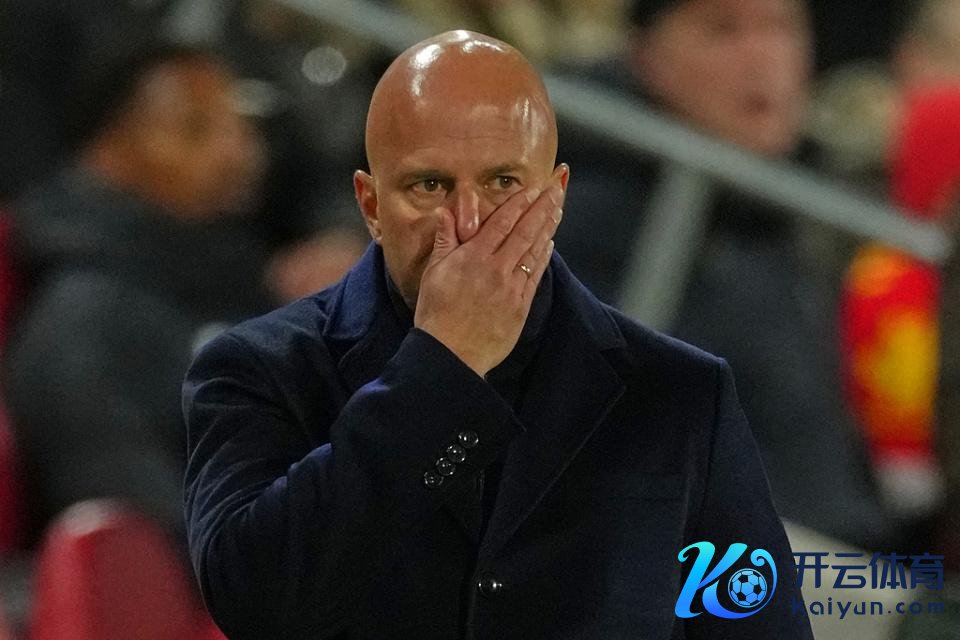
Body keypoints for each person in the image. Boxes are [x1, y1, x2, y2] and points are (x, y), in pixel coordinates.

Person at [182, 30, 812, 639]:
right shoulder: (258, 368)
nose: (469, 223)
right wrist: (442, 366)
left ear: (556, 195)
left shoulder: (680, 395)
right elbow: (257, 604)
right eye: (430, 186)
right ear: (370, 206)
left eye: (503, 183)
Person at [555, 0, 894, 549]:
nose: (762, 58)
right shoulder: (583, 219)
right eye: (722, 31)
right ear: (644, 54)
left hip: (848, 558)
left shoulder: (811, 216)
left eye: (780, 27)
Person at [2, 41, 269, 547]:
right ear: (108, 152)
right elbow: (148, 544)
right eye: (195, 129)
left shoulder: (234, 276)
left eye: (239, 127)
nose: (237, 154)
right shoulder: (81, 323)